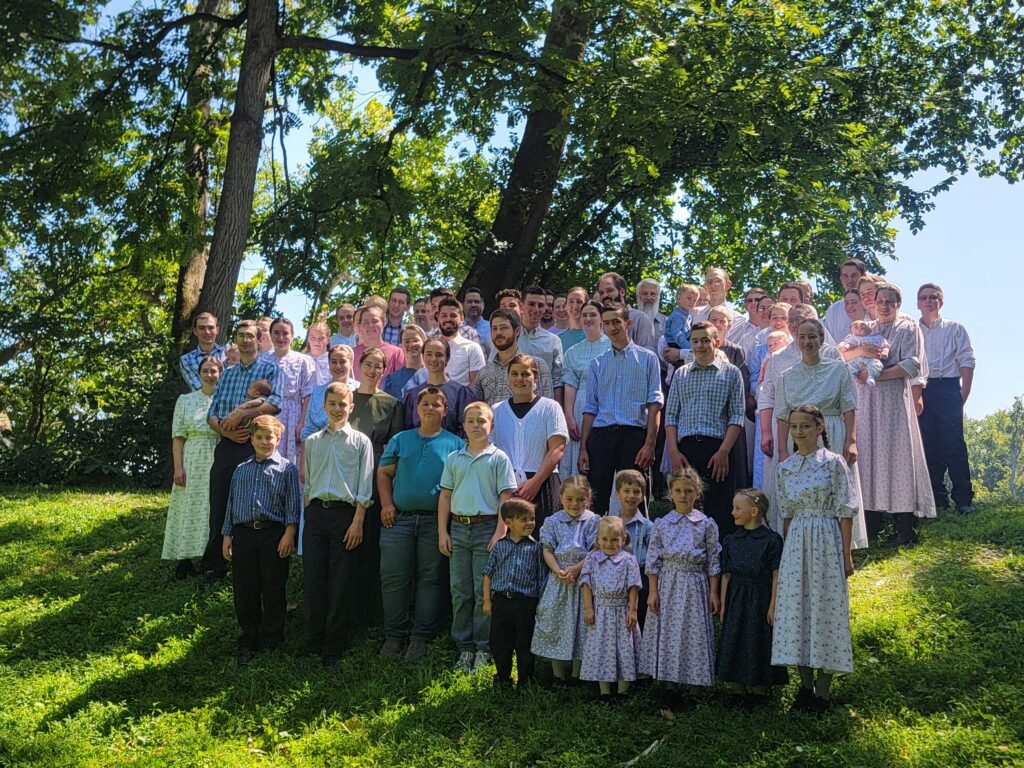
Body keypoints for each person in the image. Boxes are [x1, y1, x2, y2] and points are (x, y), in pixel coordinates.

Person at [773, 405, 855, 712]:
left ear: (820, 427)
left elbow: (845, 511)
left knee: (824, 608)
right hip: (796, 542)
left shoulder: (834, 464)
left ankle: (823, 691)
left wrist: (846, 555)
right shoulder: (785, 468)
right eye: (794, 426)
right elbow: (786, 515)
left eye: (805, 426)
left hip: (825, 539)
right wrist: (785, 553)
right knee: (797, 611)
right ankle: (804, 688)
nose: (798, 432)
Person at [377, 387, 465, 661]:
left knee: (430, 580)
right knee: (393, 578)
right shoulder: (401, 439)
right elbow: (383, 473)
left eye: (436, 404)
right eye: (424, 404)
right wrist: (387, 504)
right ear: (416, 409)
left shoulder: (456, 444)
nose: (429, 408)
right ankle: (394, 637)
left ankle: (420, 638)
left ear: (445, 410)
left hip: (434, 524)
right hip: (399, 520)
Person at [848, 283, 936, 545]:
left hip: (893, 399)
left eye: (890, 301)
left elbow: (912, 364)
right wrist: (861, 365)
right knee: (869, 455)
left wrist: (877, 375)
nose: (885, 306)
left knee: (897, 455)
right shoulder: (866, 328)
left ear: (898, 304)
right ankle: (872, 522)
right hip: (866, 399)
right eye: (880, 301)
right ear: (872, 303)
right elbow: (844, 354)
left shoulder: (907, 327)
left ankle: (905, 526)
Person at [438, 402, 517, 674]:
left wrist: (500, 532)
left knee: (483, 591)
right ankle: (464, 648)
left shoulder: (498, 458)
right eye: (471, 421)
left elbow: (506, 498)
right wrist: (442, 531)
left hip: (486, 529)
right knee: (460, 591)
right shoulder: (454, 459)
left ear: (491, 426)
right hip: (459, 529)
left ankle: (483, 647)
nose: (476, 426)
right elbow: (445, 496)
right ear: (463, 425)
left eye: (481, 421)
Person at [774, 317, 867, 549]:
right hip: (799, 436)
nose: (807, 341)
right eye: (802, 337)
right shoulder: (787, 375)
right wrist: (783, 450)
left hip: (831, 432)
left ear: (822, 339)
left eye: (812, 336)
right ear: (796, 340)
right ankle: (801, 542)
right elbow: (783, 415)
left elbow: (848, 406)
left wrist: (851, 441)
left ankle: (842, 545)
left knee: (835, 488)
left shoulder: (838, 369)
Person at [302, 383, 375, 668]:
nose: (336, 409)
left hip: (347, 516)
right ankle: (315, 639)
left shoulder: (360, 442)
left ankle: (334, 645)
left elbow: (364, 485)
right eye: (332, 403)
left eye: (342, 404)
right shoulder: (312, 442)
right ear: (324, 406)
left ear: (350, 407)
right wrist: (309, 511)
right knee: (314, 577)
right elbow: (309, 483)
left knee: (341, 580)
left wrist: (358, 521)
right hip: (317, 515)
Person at [203, 320, 282, 580]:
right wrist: (225, 429)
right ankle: (215, 564)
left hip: (253, 444)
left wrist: (241, 414)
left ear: (259, 340)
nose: (246, 340)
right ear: (235, 340)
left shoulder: (270, 369)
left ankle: (245, 563)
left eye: (251, 336)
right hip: (227, 444)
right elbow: (213, 413)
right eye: (241, 336)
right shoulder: (227, 373)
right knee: (220, 500)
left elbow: (275, 403)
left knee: (249, 504)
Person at [221, 414, 300, 666]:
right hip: (243, 534)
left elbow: (292, 504)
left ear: (278, 439)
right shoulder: (241, 470)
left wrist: (289, 532)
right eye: (259, 437)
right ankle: (249, 638)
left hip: (273, 534)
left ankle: (272, 639)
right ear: (252, 440)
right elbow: (231, 504)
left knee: (273, 587)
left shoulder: (286, 468)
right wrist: (226, 535)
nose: (265, 442)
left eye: (270, 437)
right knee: (245, 588)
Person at [640, 468, 721, 707]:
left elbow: (713, 559)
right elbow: (653, 560)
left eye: (688, 491)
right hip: (668, 584)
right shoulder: (663, 524)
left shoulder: (706, 524)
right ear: (670, 494)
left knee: (692, 631)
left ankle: (694, 685)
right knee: (669, 632)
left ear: (697, 494)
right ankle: (669, 684)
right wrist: (653, 591)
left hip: (695, 584)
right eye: (678, 491)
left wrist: (714, 591)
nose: (683, 496)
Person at [579, 302, 663, 515]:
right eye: (606, 323)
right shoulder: (597, 363)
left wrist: (650, 444)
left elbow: (655, 405)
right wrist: (583, 448)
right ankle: (594, 545)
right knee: (595, 500)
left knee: (634, 498)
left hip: (633, 436)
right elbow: (590, 408)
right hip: (601, 436)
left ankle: (637, 546)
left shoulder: (647, 358)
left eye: (616, 322)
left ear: (628, 323)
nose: (612, 328)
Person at [664, 322, 745, 537]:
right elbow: (671, 416)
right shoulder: (681, 374)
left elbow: (737, 416)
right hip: (686, 450)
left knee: (718, 510)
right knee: (685, 506)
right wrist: (673, 451)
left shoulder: (730, 373)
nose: (699, 345)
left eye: (705, 340)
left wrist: (724, 452)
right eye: (695, 341)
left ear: (716, 342)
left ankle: (717, 567)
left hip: (718, 449)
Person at [716, 489, 788, 706]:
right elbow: (726, 574)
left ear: (754, 511)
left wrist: (773, 605)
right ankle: (738, 688)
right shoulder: (731, 540)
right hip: (736, 595)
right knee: (735, 637)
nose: (732, 512)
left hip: (760, 596)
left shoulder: (771, 540)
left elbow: (776, 574)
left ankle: (759, 689)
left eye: (738, 508)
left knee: (758, 639)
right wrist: (722, 603)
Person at [350, 347, 406, 623]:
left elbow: (394, 447)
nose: (373, 370)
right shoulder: (345, 399)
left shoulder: (392, 404)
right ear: (360, 365)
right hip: (346, 477)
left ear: (385, 371)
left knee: (371, 543)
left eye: (378, 366)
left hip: (375, 476)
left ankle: (370, 611)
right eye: (369, 364)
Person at [531, 476, 600, 685]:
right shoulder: (553, 521)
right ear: (561, 497)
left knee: (582, 624)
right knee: (554, 622)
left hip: (583, 580)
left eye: (580, 500)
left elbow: (596, 549)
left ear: (587, 500)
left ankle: (577, 674)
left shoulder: (593, 521)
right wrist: (559, 570)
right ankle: (557, 674)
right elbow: (547, 550)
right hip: (559, 579)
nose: (574, 504)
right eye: (569, 499)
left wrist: (578, 569)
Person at [917, 283, 977, 512]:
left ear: (941, 302)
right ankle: (937, 497)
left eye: (933, 297)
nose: (928, 301)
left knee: (953, 444)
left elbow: (967, 360)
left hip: (948, 386)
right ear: (918, 303)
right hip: (921, 389)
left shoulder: (955, 329)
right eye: (924, 298)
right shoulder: (913, 329)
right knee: (928, 443)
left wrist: (964, 392)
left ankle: (963, 498)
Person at [492, 354, 568, 530]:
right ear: (508, 377)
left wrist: (535, 482)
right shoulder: (497, 411)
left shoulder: (550, 407)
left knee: (544, 542)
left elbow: (557, 449)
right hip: (508, 488)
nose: (520, 379)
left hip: (543, 484)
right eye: (514, 374)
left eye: (525, 374)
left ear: (535, 377)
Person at [165, 355, 222, 579]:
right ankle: (185, 558)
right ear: (199, 375)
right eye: (206, 371)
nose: (210, 375)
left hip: (217, 454)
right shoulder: (185, 400)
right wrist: (178, 468)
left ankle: (212, 557)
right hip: (193, 457)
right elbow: (178, 436)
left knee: (212, 507)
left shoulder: (225, 399)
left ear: (220, 374)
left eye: (214, 371)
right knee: (189, 506)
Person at [482, 498, 546, 688]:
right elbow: (488, 573)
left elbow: (541, 578)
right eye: (524, 520)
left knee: (524, 643)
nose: (530, 523)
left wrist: (540, 604)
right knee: (500, 642)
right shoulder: (500, 546)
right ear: (508, 522)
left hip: (526, 603)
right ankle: (503, 678)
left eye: (532, 519)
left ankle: (525, 680)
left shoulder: (536, 548)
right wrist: (487, 601)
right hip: (501, 601)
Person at [580, 515, 644, 701]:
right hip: (600, 611)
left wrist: (633, 611)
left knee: (624, 648)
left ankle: (623, 690)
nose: (609, 544)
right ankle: (605, 691)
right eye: (605, 539)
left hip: (621, 610)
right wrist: (588, 608)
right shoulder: (592, 559)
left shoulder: (629, 560)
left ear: (623, 540)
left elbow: (633, 587)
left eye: (615, 540)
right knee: (601, 649)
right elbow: (586, 584)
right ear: (598, 540)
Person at [559, 300, 611, 479]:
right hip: (580, 407)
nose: (588, 319)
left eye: (593, 315)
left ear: (602, 318)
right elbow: (570, 384)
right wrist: (569, 415)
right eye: (585, 315)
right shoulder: (572, 352)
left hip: (606, 407)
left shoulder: (612, 347)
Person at [264, 317, 317, 464]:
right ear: (270, 334)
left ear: (292, 336)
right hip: (269, 414)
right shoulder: (263, 360)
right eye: (276, 333)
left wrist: (302, 423)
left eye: (285, 333)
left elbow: (309, 394)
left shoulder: (303, 360)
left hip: (293, 415)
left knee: (292, 460)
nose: (281, 337)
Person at [475, 309, 555, 405]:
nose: (498, 332)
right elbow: (478, 409)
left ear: (517, 331)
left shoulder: (537, 365)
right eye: (494, 328)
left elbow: (547, 407)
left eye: (504, 328)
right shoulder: (484, 372)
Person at [403, 337, 477, 436]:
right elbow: (407, 430)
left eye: (439, 355)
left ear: (447, 358)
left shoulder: (461, 394)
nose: (433, 359)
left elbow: (466, 432)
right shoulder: (413, 395)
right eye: (429, 354)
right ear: (423, 357)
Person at [611, 469, 653, 630]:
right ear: (618, 494)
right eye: (626, 491)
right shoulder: (610, 523)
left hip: (640, 578)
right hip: (615, 576)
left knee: (639, 621)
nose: (631, 496)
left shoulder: (648, 527)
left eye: (636, 492)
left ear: (643, 496)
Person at [299, 344, 359, 443]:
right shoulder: (318, 393)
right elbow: (308, 430)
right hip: (322, 448)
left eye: (343, 361)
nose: (338, 366)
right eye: (334, 362)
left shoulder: (358, 390)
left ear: (351, 363)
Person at [518, 285, 565, 403]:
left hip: (542, 405)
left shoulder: (553, 340)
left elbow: (557, 379)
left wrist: (558, 408)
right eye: (531, 304)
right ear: (521, 306)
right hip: (512, 403)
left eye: (540, 305)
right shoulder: (508, 336)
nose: (536, 309)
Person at [595, 272, 656, 350]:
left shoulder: (640, 318)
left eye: (609, 290)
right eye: (601, 293)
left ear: (622, 292)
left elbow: (647, 354)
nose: (605, 295)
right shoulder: (599, 322)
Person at [434, 297, 486, 387]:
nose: (448, 319)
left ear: (462, 319)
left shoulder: (472, 348)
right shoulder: (430, 348)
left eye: (453, 315)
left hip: (463, 400)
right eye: (444, 315)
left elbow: (476, 384)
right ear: (438, 318)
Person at [352, 306, 406, 377]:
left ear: (383, 323)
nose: (370, 325)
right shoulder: (352, 354)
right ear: (360, 326)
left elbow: (401, 382)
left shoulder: (396, 353)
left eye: (375, 321)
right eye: (366, 322)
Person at [179, 311, 227, 390]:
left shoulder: (229, 353)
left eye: (211, 327)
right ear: (195, 331)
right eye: (202, 328)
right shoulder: (187, 360)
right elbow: (202, 390)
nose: (207, 332)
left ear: (217, 330)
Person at [824, 259, 868, 342]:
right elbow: (828, 341)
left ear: (864, 276)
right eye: (845, 276)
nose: (849, 280)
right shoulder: (834, 309)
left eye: (854, 275)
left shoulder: (871, 304)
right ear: (841, 278)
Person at [381, 324, 426, 400]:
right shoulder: (392, 380)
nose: (411, 345)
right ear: (401, 345)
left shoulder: (435, 375)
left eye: (415, 340)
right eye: (407, 341)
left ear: (424, 342)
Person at [839, 320, 889, 385]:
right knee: (850, 367)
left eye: (862, 324)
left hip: (872, 360)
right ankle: (850, 379)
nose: (860, 326)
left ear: (869, 328)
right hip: (857, 360)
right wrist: (846, 347)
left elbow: (885, 346)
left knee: (878, 365)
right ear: (853, 333)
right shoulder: (855, 338)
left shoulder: (878, 337)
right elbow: (850, 344)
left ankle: (871, 376)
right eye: (856, 327)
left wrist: (885, 352)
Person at [664, 283, 700, 351]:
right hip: (675, 345)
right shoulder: (678, 316)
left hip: (681, 344)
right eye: (689, 298)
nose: (692, 302)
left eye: (694, 300)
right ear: (678, 299)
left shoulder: (687, 315)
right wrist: (689, 348)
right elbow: (677, 335)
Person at [637, 278, 668, 354]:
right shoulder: (631, 318)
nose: (649, 297)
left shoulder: (666, 322)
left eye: (652, 294)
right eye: (645, 293)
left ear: (658, 296)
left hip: (660, 365)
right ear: (638, 296)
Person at [461, 286, 491, 356]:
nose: (473, 305)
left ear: (483, 305)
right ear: (462, 305)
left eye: (477, 302)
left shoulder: (492, 328)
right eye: (469, 302)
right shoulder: (456, 330)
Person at [558, 286, 589, 353]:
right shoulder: (558, 339)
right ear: (565, 306)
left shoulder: (594, 335)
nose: (575, 306)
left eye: (579, 302)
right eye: (571, 301)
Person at [303, 320, 332, 387]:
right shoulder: (302, 360)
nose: (317, 341)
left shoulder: (333, 359)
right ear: (308, 339)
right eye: (313, 337)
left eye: (321, 338)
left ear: (328, 340)